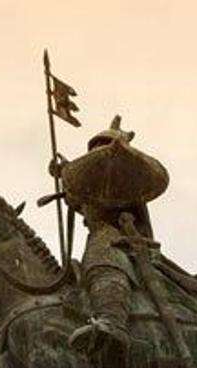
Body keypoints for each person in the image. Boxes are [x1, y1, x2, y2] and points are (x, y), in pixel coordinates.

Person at [56, 116, 169, 354]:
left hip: (117, 236)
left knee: (102, 257)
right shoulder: (95, 185)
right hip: (99, 233)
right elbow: (81, 202)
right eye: (96, 146)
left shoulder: (123, 179)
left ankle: (112, 321)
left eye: (103, 145)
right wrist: (64, 178)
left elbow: (102, 201)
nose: (98, 150)